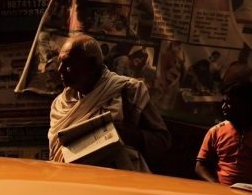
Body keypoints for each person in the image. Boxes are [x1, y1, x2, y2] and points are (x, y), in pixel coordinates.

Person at [48, 34, 170, 172]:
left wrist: (122, 134)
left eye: (68, 63)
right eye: (60, 63)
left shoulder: (128, 91)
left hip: (116, 184)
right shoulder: (60, 104)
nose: (60, 69)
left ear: (92, 64)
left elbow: (162, 141)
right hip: (73, 183)